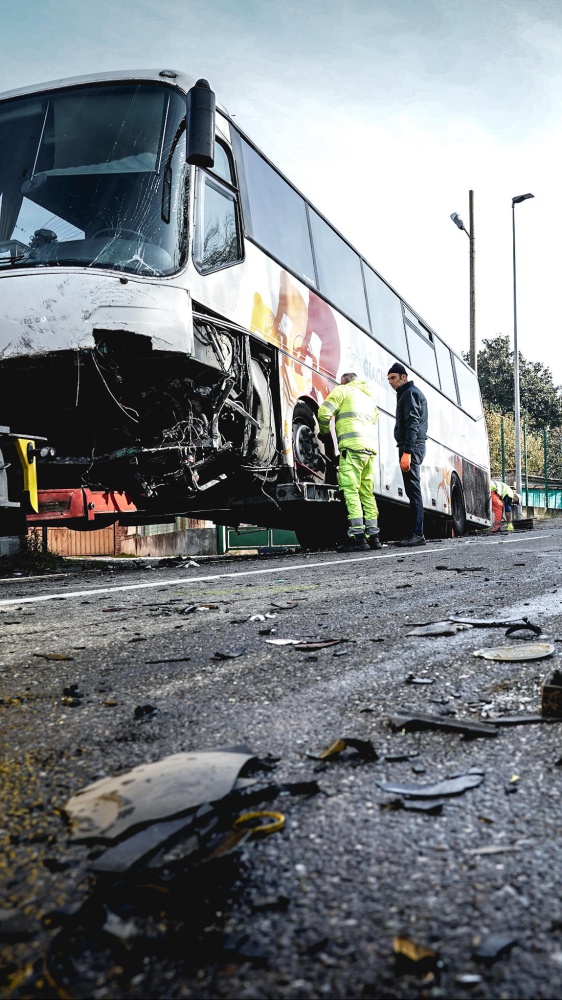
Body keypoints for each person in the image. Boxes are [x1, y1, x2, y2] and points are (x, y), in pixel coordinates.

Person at [318, 372, 381, 552]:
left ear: (345, 381)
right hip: (369, 452)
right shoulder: (369, 400)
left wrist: (324, 432)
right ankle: (374, 536)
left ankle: (358, 537)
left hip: (352, 450)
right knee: (367, 493)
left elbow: (324, 413)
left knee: (350, 490)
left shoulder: (343, 391)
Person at [387, 362, 428, 546]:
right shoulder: (407, 393)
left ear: (404, 377)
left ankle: (417, 535)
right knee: (412, 492)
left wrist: (407, 452)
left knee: (414, 491)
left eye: (393, 378)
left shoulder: (410, 393)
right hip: (410, 446)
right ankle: (413, 533)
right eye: (388, 379)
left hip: (411, 446)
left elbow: (413, 423)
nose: (391, 382)